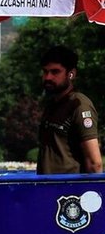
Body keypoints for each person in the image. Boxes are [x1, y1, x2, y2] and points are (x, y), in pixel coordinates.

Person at [35, 45, 101, 175]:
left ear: (71, 74)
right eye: (45, 72)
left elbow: (95, 163)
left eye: (55, 72)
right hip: (46, 189)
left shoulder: (79, 105)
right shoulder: (52, 105)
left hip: (69, 191)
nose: (48, 77)